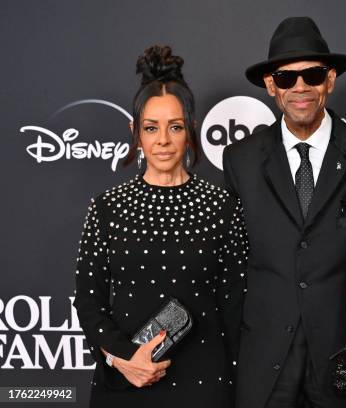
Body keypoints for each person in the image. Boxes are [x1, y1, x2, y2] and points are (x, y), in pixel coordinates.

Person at [74, 45, 247, 407]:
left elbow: (236, 310)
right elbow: (90, 303)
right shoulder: (107, 208)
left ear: (191, 129)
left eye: (175, 127)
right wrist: (123, 358)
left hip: (206, 385)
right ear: (135, 131)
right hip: (126, 382)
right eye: (151, 128)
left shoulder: (223, 207)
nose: (163, 141)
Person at [222, 17, 346, 408]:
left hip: (344, 359)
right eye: (286, 78)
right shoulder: (240, 160)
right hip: (266, 359)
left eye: (313, 74)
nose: (300, 87)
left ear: (331, 79)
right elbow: (227, 262)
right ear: (271, 86)